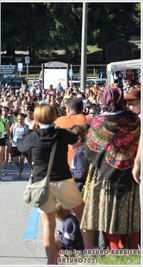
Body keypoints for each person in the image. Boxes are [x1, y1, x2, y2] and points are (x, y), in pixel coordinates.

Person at [17, 104, 87, 264]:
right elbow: (75, 138)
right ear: (54, 117)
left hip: (42, 183)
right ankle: (89, 248)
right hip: (63, 180)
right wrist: (55, 126)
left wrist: (31, 130)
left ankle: (51, 261)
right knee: (83, 216)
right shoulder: (61, 134)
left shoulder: (33, 136)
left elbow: (21, 147)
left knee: (48, 226)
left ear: (36, 119)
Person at [80, 87, 140, 251]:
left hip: (103, 177)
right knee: (128, 214)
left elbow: (89, 150)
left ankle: (112, 248)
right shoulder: (135, 121)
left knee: (107, 213)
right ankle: (131, 247)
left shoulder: (98, 122)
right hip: (131, 175)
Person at [54, 97, 88, 168]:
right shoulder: (89, 121)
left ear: (68, 109)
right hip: (83, 165)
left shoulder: (59, 121)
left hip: (63, 165)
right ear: (82, 109)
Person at [68, 124, 88, 192]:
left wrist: (68, 175)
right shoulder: (83, 150)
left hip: (78, 187)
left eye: (69, 140)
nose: (68, 144)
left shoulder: (80, 153)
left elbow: (80, 173)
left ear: (79, 139)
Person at [9, 113, 28, 179]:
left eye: (21, 119)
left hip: (23, 145)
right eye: (19, 119)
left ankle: (20, 173)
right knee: (16, 161)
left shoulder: (26, 126)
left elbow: (29, 135)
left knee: (22, 159)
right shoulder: (14, 125)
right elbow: (9, 133)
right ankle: (19, 165)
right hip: (15, 145)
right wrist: (10, 139)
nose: (20, 121)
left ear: (24, 119)